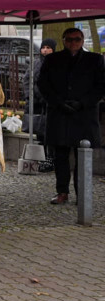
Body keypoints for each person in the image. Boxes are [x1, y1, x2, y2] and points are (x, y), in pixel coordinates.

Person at [38, 28, 105, 204]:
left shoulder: (95, 60)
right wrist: (58, 102)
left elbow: (101, 86)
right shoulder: (52, 59)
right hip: (60, 113)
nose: (73, 43)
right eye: (69, 39)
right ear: (64, 40)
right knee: (60, 156)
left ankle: (82, 193)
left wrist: (83, 103)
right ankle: (62, 192)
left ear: (82, 40)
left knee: (83, 157)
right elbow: (43, 84)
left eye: (76, 39)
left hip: (84, 115)